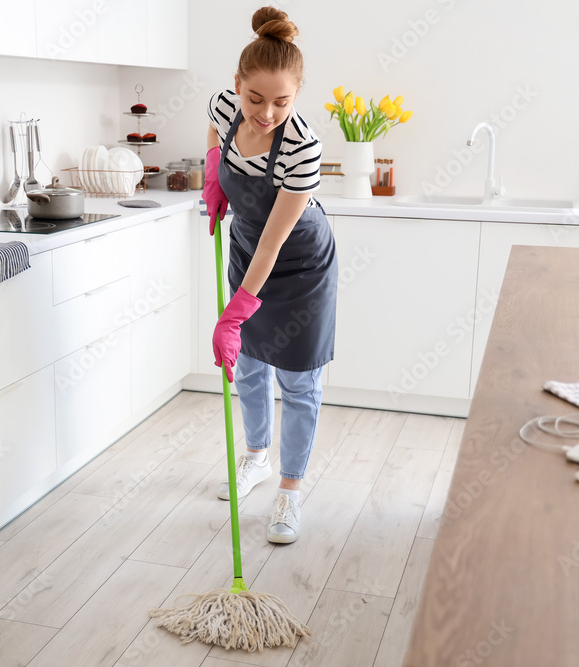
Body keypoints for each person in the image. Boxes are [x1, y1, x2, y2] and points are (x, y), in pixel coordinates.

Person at [204, 6, 337, 545]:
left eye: (282, 102)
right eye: (255, 99)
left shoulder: (302, 147)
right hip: (245, 249)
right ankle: (256, 457)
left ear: (297, 94)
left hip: (298, 267)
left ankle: (289, 491)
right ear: (237, 86)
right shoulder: (225, 105)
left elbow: (274, 242)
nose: (265, 113)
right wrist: (214, 175)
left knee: (299, 382)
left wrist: (236, 311)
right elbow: (212, 126)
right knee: (252, 368)